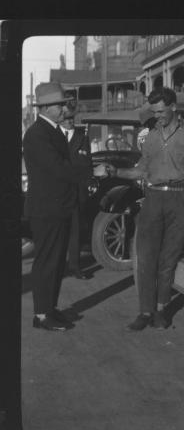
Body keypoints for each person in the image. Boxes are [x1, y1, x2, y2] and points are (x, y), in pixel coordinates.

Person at [104, 88, 184, 332]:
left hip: (182, 200)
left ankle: (161, 310)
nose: (157, 116)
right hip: (153, 199)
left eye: (161, 111)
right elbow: (141, 171)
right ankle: (144, 312)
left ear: (173, 108)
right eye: (154, 112)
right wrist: (115, 172)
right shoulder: (150, 138)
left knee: (168, 259)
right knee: (146, 257)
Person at [23, 82, 104, 331]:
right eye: (59, 105)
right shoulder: (37, 134)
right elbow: (59, 169)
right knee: (47, 261)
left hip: (59, 207)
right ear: (45, 108)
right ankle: (41, 316)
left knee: (57, 262)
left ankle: (50, 308)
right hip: (46, 210)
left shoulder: (54, 131)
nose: (64, 109)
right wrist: (93, 171)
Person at [60, 109, 92, 280]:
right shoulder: (55, 136)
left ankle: (75, 266)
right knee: (57, 231)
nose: (69, 121)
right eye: (66, 118)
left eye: (71, 118)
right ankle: (59, 267)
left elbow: (87, 164)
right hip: (58, 192)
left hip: (77, 191)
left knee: (75, 231)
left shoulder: (82, 137)